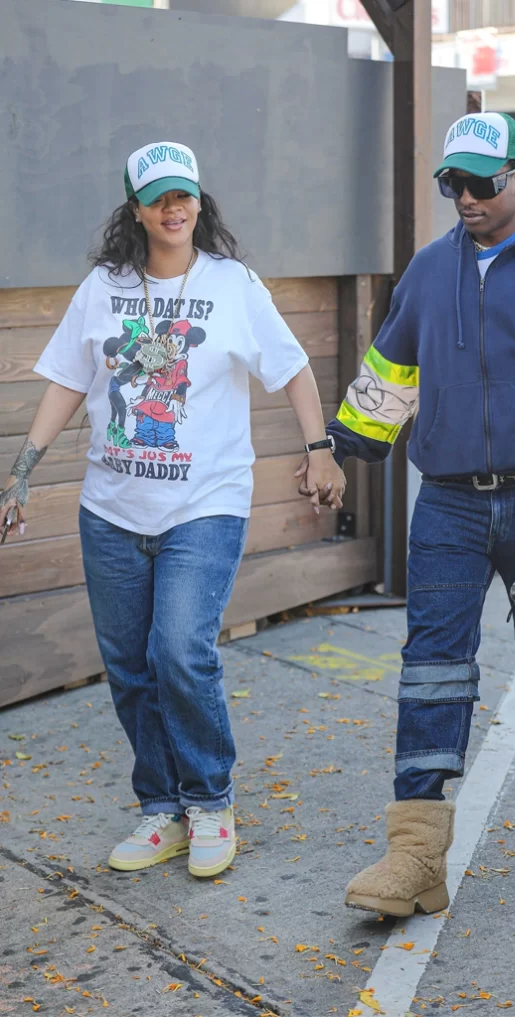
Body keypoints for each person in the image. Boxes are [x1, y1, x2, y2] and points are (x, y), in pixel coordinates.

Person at [0, 141, 345, 878]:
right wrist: (21, 471)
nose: (174, 208)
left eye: (184, 195)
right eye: (158, 198)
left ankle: (212, 799)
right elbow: (66, 379)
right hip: (112, 508)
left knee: (179, 651)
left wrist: (319, 447)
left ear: (199, 200)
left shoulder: (232, 285)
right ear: (136, 210)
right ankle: (164, 809)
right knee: (128, 667)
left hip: (205, 503)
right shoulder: (104, 287)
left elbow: (293, 366)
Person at [312, 112, 515, 917]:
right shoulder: (428, 270)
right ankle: (416, 850)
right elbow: (391, 369)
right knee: (432, 664)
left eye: (481, 182)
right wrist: (340, 446)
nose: (464, 196)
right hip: (447, 500)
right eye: (451, 181)